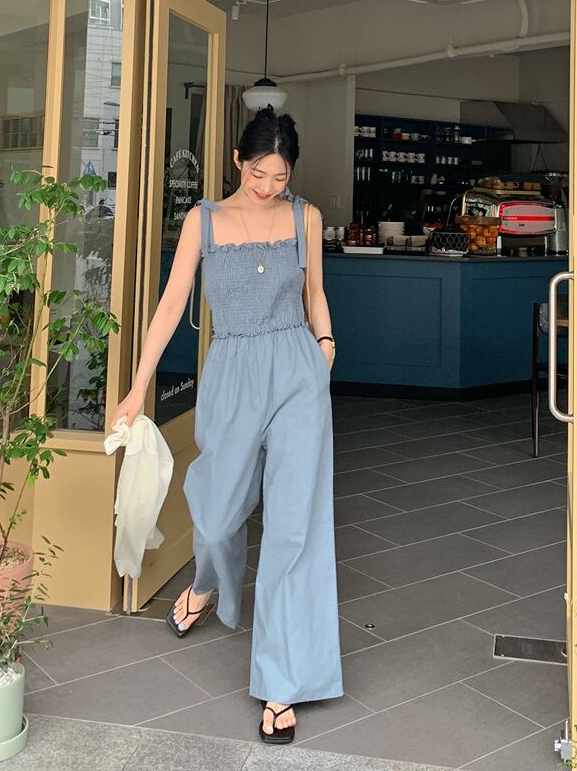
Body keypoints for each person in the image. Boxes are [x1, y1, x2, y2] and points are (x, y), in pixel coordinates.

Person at [110, 106, 343, 743]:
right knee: (214, 516)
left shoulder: (304, 217)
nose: (269, 187)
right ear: (238, 161)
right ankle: (208, 581)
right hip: (233, 371)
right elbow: (171, 304)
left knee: (294, 529)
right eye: (259, 173)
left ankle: (281, 683)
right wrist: (137, 389)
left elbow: (315, 292)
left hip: (296, 371)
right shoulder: (203, 221)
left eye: (281, 177)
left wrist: (325, 345)